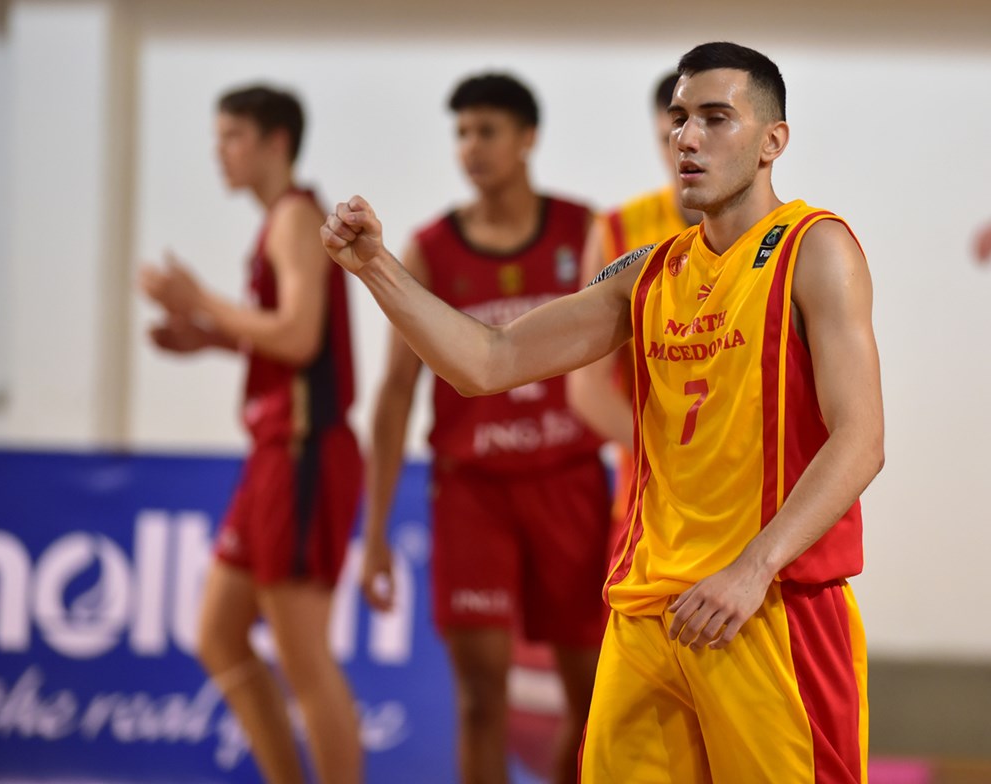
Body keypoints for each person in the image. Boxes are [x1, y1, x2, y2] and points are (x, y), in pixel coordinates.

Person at [323, 41, 884, 783]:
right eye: (679, 118)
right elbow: (488, 362)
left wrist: (754, 568)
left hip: (768, 606)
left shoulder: (815, 249)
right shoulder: (646, 271)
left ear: (772, 141)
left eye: (716, 118)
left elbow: (861, 439)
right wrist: (375, 268)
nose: (687, 137)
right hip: (648, 612)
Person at [358, 73, 610, 784]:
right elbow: (395, 395)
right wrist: (374, 535)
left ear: (528, 138)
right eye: (462, 132)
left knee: (597, 697)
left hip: (569, 483)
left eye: (488, 130)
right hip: (473, 492)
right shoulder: (430, 249)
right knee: (478, 699)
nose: (471, 146)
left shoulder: (586, 232)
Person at [139, 85, 363, 784]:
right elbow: (288, 342)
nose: (220, 153)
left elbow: (297, 337)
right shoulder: (280, 220)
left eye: (232, 137)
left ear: (276, 141)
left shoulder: (295, 217)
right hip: (275, 453)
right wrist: (210, 337)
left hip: (303, 451)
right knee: (218, 635)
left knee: (304, 657)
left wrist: (201, 299)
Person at [567, 71, 701, 538]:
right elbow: (587, 387)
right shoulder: (618, 232)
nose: (685, 151)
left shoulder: (783, 237)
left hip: (755, 500)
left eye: (703, 132)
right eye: (670, 137)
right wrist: (672, 458)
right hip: (651, 501)